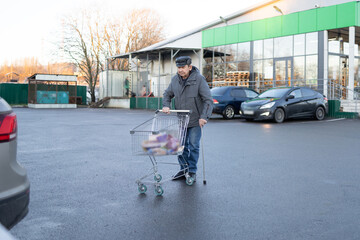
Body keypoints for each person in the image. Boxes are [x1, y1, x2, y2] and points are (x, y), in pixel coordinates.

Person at [162, 56, 213, 182]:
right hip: (181, 121)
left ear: (189, 67)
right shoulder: (175, 80)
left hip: (196, 120)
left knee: (194, 146)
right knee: (181, 147)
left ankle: (192, 171)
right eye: (178, 68)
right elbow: (167, 94)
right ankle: (183, 170)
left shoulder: (199, 79)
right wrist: (166, 105)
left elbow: (208, 100)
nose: (180, 70)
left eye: (183, 67)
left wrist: (204, 117)